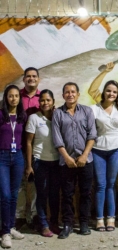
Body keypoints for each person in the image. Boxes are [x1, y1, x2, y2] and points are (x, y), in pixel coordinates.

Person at [52, 82, 97, 239]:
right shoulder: (58, 113)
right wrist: (67, 158)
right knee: (67, 194)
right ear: (63, 95)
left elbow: (92, 135)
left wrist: (84, 155)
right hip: (66, 162)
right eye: (67, 92)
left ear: (78, 94)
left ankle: (84, 223)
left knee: (85, 193)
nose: (70, 94)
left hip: (86, 160)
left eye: (73, 92)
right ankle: (67, 224)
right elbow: (57, 138)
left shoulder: (87, 111)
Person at [25, 89, 61, 237]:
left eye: (48, 100)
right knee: (42, 194)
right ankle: (43, 224)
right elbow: (28, 142)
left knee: (54, 195)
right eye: (42, 100)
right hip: (40, 161)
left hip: (57, 162)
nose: (45, 103)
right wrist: (29, 165)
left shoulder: (59, 117)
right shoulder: (34, 118)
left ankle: (54, 222)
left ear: (53, 102)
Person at [90, 80, 118, 232]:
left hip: (116, 150)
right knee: (100, 185)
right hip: (97, 150)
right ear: (104, 92)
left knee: (111, 185)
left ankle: (110, 218)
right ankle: (99, 219)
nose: (111, 94)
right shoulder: (94, 109)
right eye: (109, 91)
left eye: (115, 92)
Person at [0, 85, 27, 248]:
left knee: (14, 195)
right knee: (5, 195)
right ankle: (5, 233)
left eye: (16, 96)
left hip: (17, 156)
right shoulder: (1, 115)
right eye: (11, 96)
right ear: (6, 98)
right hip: (2, 156)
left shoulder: (22, 116)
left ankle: (10, 226)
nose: (14, 98)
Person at [16, 67, 41, 229]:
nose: (31, 78)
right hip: (18, 145)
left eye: (34, 76)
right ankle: (19, 217)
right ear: (24, 79)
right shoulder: (17, 96)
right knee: (20, 183)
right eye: (28, 76)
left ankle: (34, 215)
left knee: (35, 182)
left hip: (38, 146)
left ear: (38, 79)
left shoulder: (43, 97)